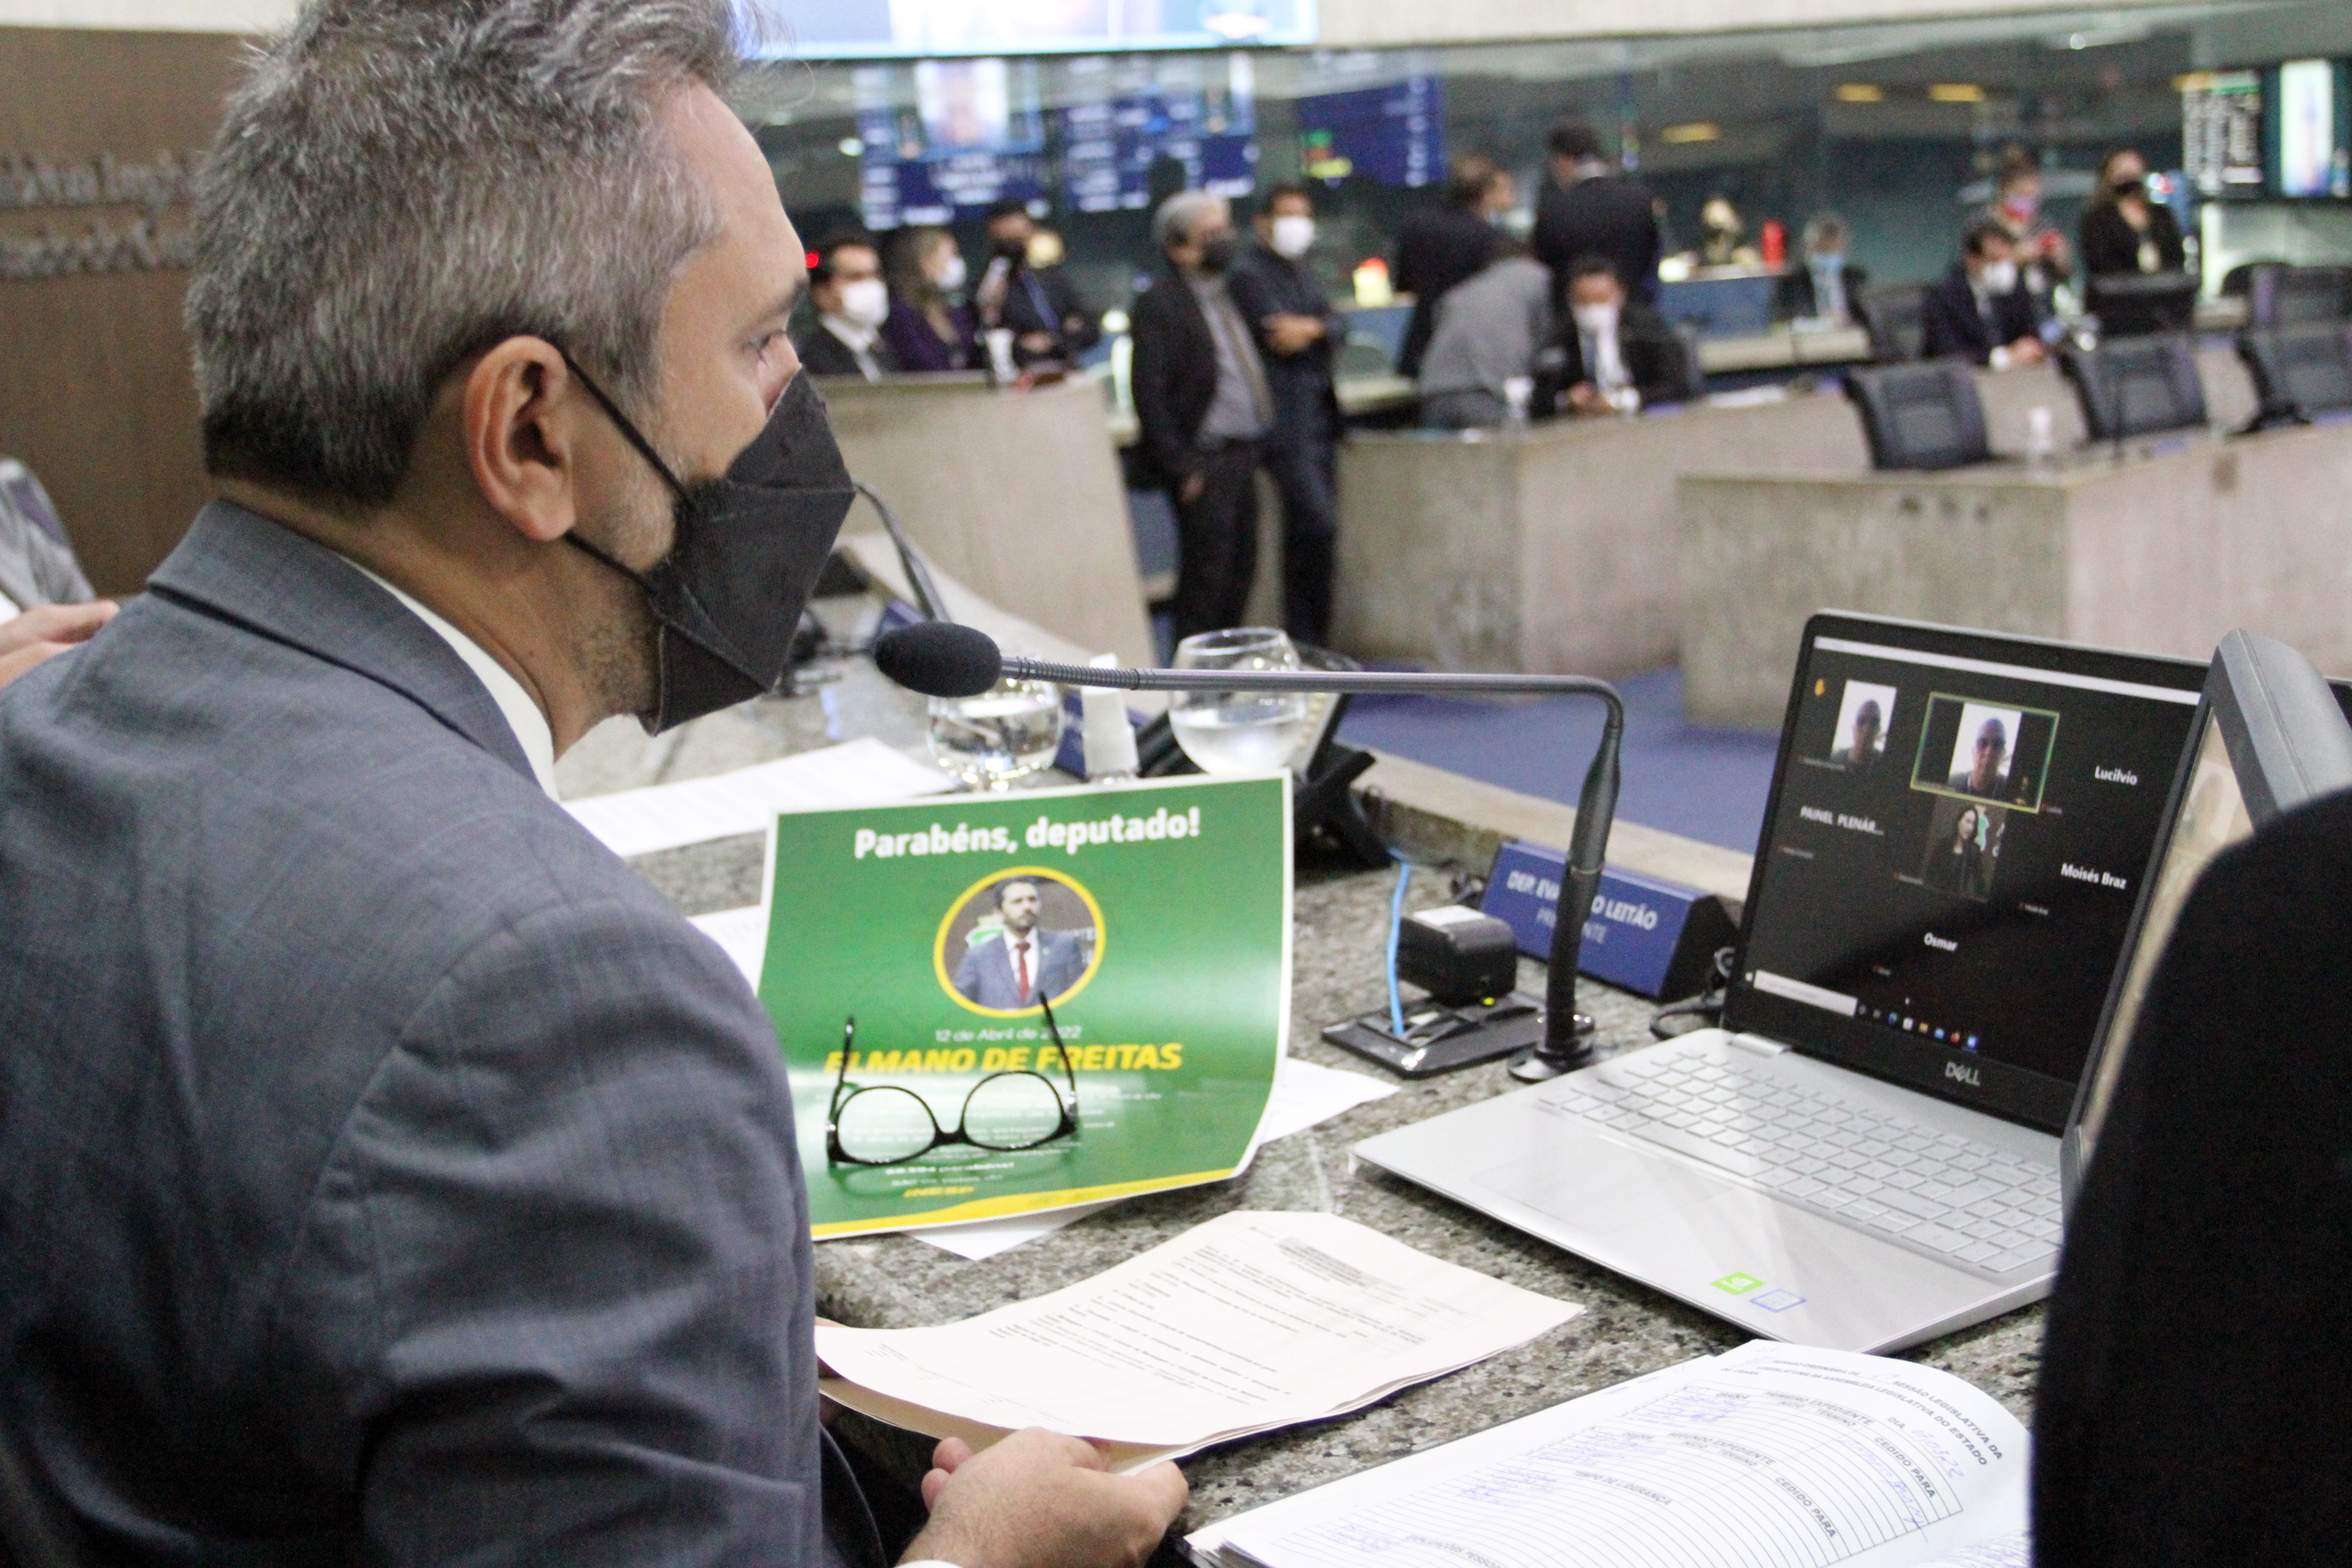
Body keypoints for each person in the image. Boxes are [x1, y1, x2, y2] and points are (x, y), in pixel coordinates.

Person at [0, 0, 1191, 1562]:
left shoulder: (38, 733)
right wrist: (991, 1553)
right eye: (760, 339)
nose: (798, 397)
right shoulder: (558, 1007)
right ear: (531, 432)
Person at [1130, 190, 1275, 641]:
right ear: (1179, 248)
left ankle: (1228, 669)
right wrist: (1182, 466)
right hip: (1204, 462)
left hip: (1245, 454)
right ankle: (1195, 673)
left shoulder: (1232, 293)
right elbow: (1149, 393)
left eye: (1225, 231)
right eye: (1210, 235)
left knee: (1241, 572)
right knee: (1206, 581)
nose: (1224, 242)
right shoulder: (1161, 303)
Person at [1228, 182, 1344, 644]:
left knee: (1314, 540)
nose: (1299, 225)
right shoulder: (1248, 275)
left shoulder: (1303, 273)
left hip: (1320, 419)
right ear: (1262, 223)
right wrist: (1320, 330)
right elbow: (1279, 335)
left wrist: (1314, 329)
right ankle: (1303, 638)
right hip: (1284, 424)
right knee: (1315, 524)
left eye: (1304, 215)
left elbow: (1337, 325)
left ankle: (1315, 642)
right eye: (1288, 215)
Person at [1392, 154, 1509, 378]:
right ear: (1486, 194)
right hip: (1472, 347)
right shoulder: (1487, 238)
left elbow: (1404, 284)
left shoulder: (1416, 227)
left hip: (1425, 341)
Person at [1415, 241, 1552, 430]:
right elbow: (1543, 341)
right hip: (1485, 391)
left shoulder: (1465, 290)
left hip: (1436, 392)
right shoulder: (1535, 275)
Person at [1534, 118, 1661, 311]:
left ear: (1563, 161)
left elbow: (1546, 275)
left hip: (1575, 320)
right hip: (1636, 316)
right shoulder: (1640, 202)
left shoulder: (1554, 212)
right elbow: (1651, 264)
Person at [975, 197, 1099, 369]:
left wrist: (1055, 340)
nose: (1016, 247)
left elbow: (1089, 328)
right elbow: (985, 338)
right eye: (1008, 240)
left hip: (1064, 369)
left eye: (1020, 237)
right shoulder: (990, 285)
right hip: (1020, 375)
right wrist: (1019, 344)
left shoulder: (1050, 277)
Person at [1553, 256, 1686, 416]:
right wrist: (1567, 399)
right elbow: (1541, 392)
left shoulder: (1645, 327)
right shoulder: (1562, 335)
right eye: (1584, 301)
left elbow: (1678, 384)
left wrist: (1625, 400)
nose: (1593, 308)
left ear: (1619, 295)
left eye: (1601, 299)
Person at [2079, 147, 2190, 338]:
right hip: (2118, 313)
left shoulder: (2162, 216)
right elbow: (2100, 265)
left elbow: (2177, 258)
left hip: (2165, 312)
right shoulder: (2097, 220)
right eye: (2123, 173)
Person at [1921, 219, 2046, 369]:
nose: (2003, 268)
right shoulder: (1945, 296)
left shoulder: (2015, 288)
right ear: (1972, 260)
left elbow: (2030, 332)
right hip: (1965, 377)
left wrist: (2029, 347)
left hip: (2016, 375)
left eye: (2007, 259)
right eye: (1994, 260)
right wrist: (2001, 358)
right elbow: (1947, 352)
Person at [953, 879, 1088, 1009]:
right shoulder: (980, 956)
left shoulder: (1064, 945)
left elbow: (1081, 997)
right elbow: (958, 1003)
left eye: (1032, 900)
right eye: (1017, 902)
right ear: (999, 913)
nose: (1027, 907)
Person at [794, 230, 899, 382]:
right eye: (855, 277)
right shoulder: (810, 362)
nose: (871, 286)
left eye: (876, 275)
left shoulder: (887, 348)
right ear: (822, 292)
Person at [882, 225, 977, 372]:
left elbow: (972, 353)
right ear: (924, 261)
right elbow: (922, 364)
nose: (955, 264)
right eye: (950, 256)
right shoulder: (902, 312)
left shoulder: (954, 308)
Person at [1985, 146, 2071, 308]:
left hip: (2041, 306)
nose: (2029, 197)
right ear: (2005, 188)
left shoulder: (2044, 224)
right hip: (2000, 306)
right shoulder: (1986, 224)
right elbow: (1979, 272)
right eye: (2021, 191)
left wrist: (2060, 258)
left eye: (2034, 189)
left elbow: (2063, 273)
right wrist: (2017, 257)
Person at [1780, 213, 1869, 324]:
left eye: (1834, 250)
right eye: (1823, 250)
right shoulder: (1793, 282)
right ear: (1808, 248)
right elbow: (1789, 317)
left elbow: (1866, 318)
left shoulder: (1856, 279)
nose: (1829, 255)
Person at [1924, 805, 1990, 897]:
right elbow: (1930, 876)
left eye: (1973, 824)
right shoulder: (1944, 845)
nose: (1970, 828)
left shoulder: (1974, 852)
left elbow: (1980, 885)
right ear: (1959, 822)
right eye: (1968, 822)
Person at [1948, 716, 2012, 799]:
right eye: (1982, 743)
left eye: (1997, 745)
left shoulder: (2011, 791)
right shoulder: (1951, 784)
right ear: (1973, 751)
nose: (1989, 752)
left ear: (2004, 753)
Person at [1833, 697, 1885, 772]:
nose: (1867, 729)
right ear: (1854, 728)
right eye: (1861, 721)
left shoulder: (1885, 765)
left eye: (1874, 723)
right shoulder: (1835, 761)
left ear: (1879, 729)